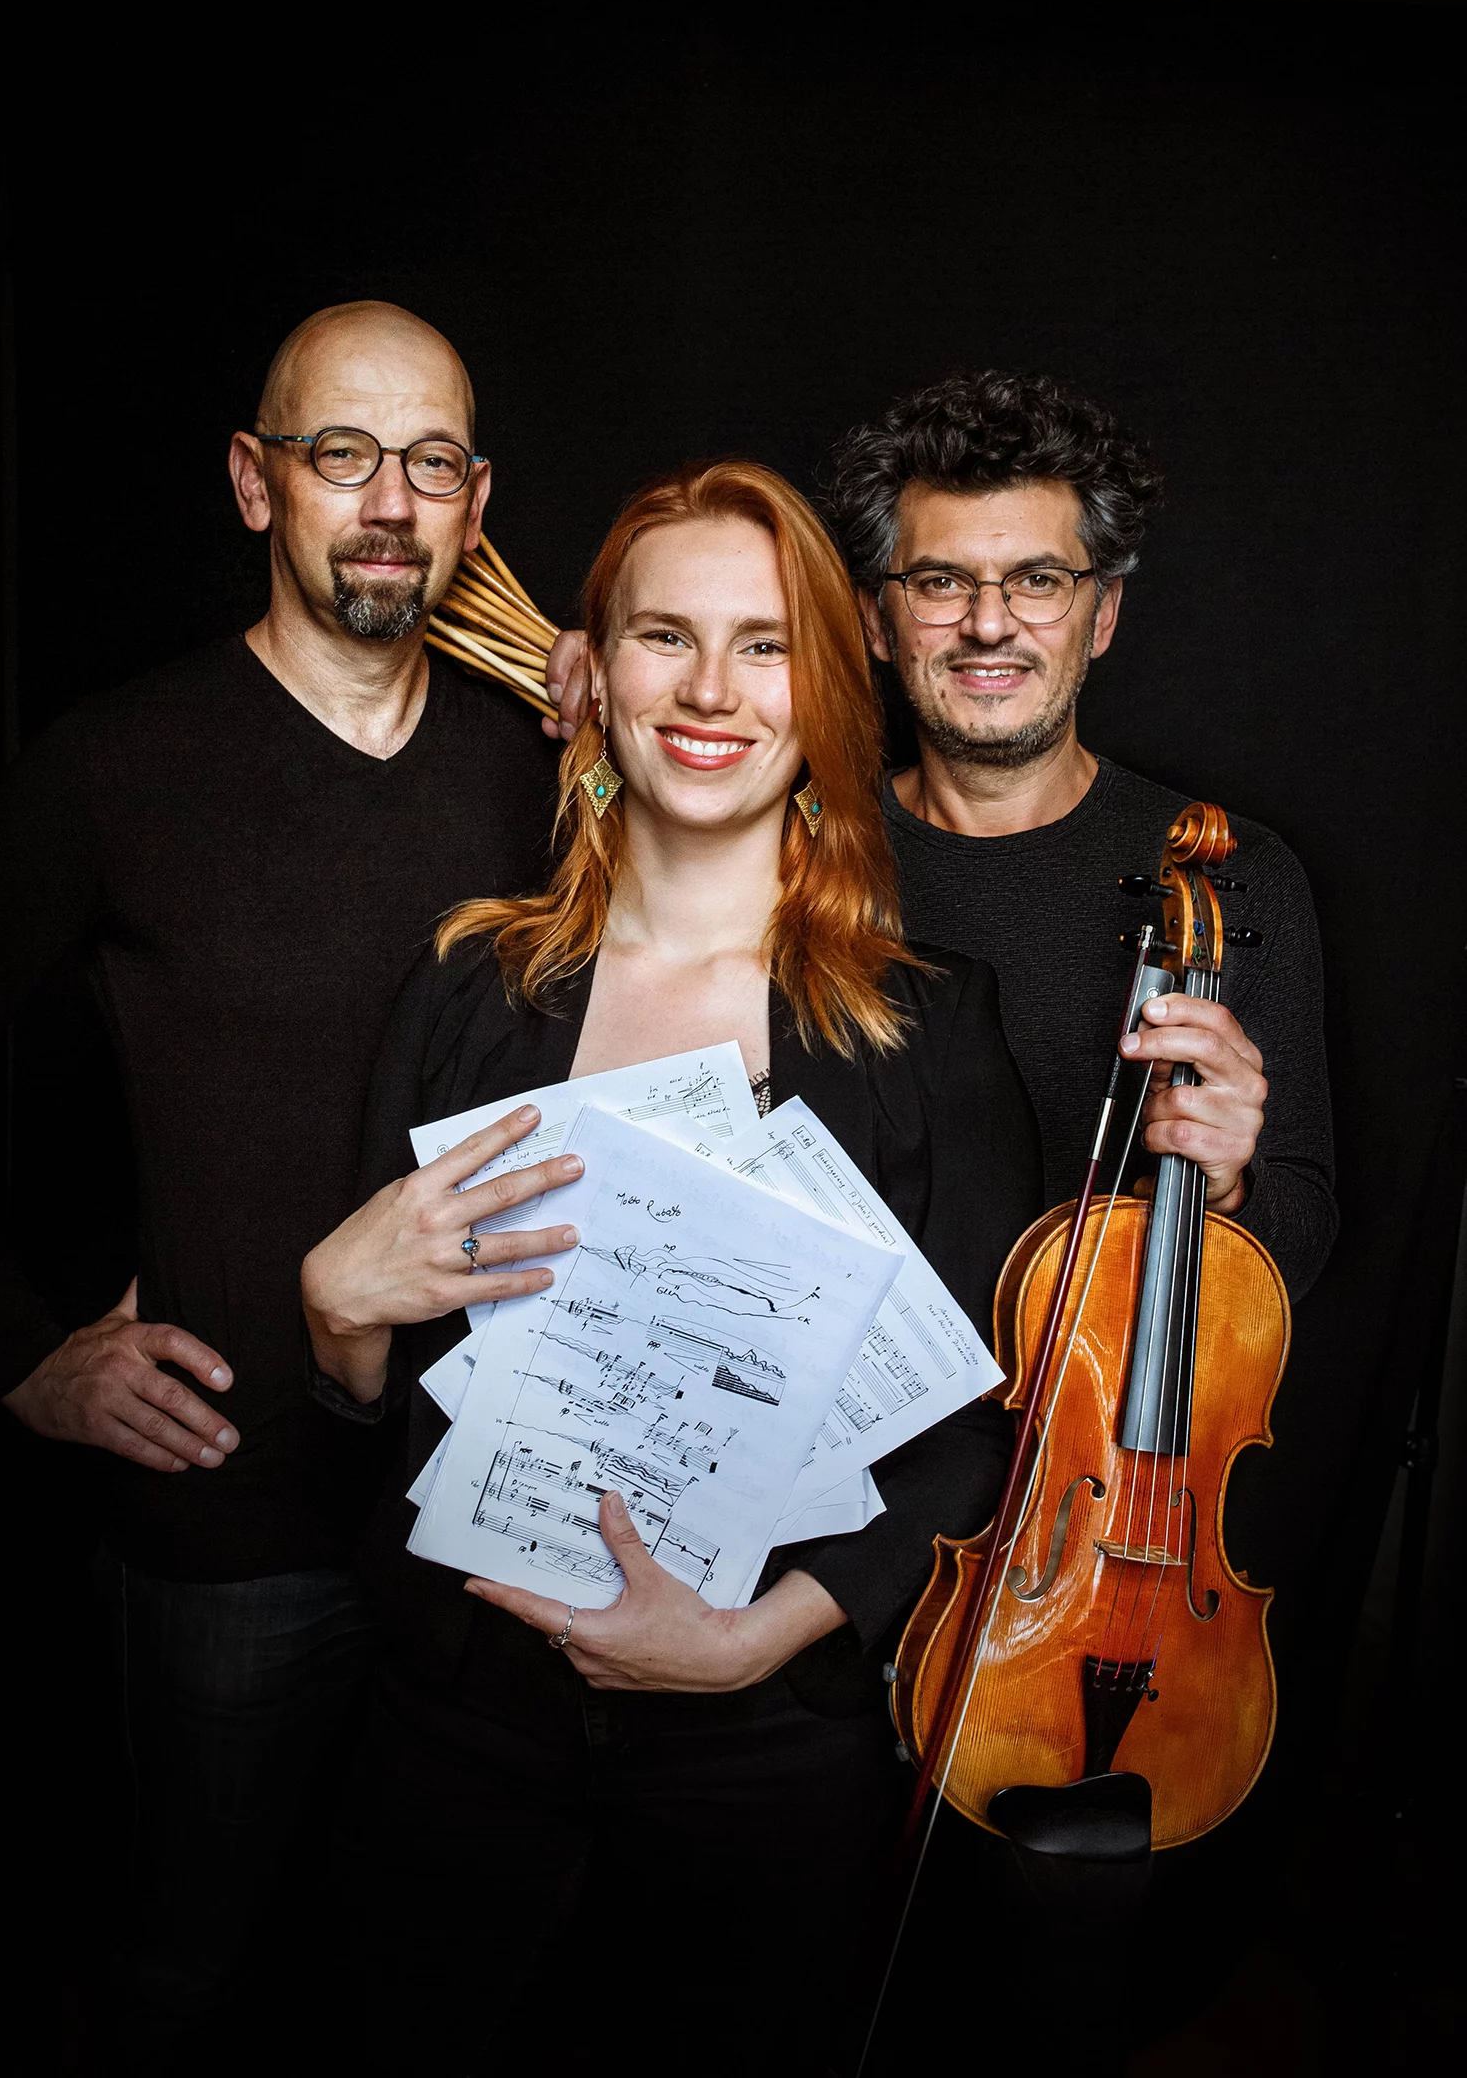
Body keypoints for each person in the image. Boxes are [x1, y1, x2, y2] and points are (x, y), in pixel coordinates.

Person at [301, 460, 1043, 2073]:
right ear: (593, 677)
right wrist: (335, 1319)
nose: (710, 691)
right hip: (456, 1717)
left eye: (764, 646)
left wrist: (762, 1638)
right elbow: (373, 1408)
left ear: (825, 694)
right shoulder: (468, 986)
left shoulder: (931, 1030)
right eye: (664, 636)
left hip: (766, 1743)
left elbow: (979, 1429)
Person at [0, 302, 570, 2062]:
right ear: (254, 482)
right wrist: (14, 1351)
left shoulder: (544, 772)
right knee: (190, 1973)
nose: (388, 503)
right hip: (229, 1522)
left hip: (491, 1521)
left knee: (438, 1986)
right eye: (340, 454)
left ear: (476, 504)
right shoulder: (109, 770)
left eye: (430, 462)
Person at [828, 369, 1336, 1301]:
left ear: (1100, 615)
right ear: (877, 623)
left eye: (1038, 581)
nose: (988, 625)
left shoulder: (1239, 874)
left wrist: (1228, 1184)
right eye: (939, 582)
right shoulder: (794, 850)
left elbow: (1299, 1238)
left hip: (1094, 1391)